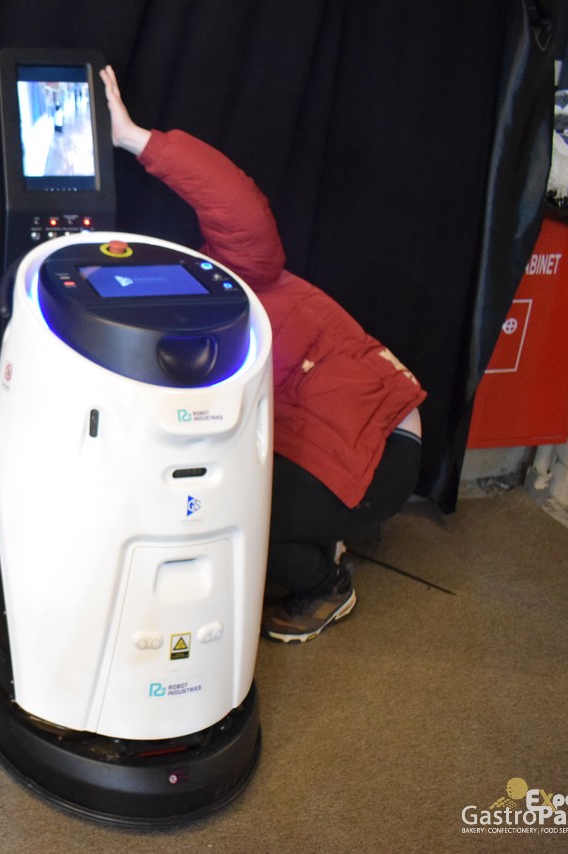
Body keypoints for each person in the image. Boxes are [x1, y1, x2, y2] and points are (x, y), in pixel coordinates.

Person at [99, 65, 427, 643]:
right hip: (321, 436)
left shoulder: (241, 270)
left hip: (377, 439)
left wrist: (133, 138)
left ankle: (326, 583)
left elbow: (235, 202)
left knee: (230, 515)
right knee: (197, 495)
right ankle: (316, 530)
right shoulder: (169, 329)